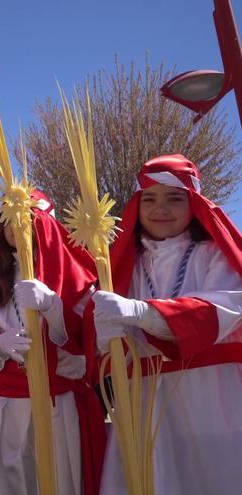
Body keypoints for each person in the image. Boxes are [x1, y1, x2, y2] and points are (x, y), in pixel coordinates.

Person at [92, 155, 242, 495]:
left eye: (174, 198)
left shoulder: (215, 254)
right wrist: (106, 337)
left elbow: (225, 306)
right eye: (150, 198)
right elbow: (115, 345)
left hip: (209, 396)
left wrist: (141, 312)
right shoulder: (126, 264)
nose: (161, 208)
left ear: (193, 204)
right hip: (145, 399)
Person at [0, 191, 105, 495]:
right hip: (10, 401)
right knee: (14, 476)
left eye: (26, 219)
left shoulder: (76, 275)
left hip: (59, 399)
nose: (17, 227)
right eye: (9, 221)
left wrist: (54, 307)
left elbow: (89, 338)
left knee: (58, 477)